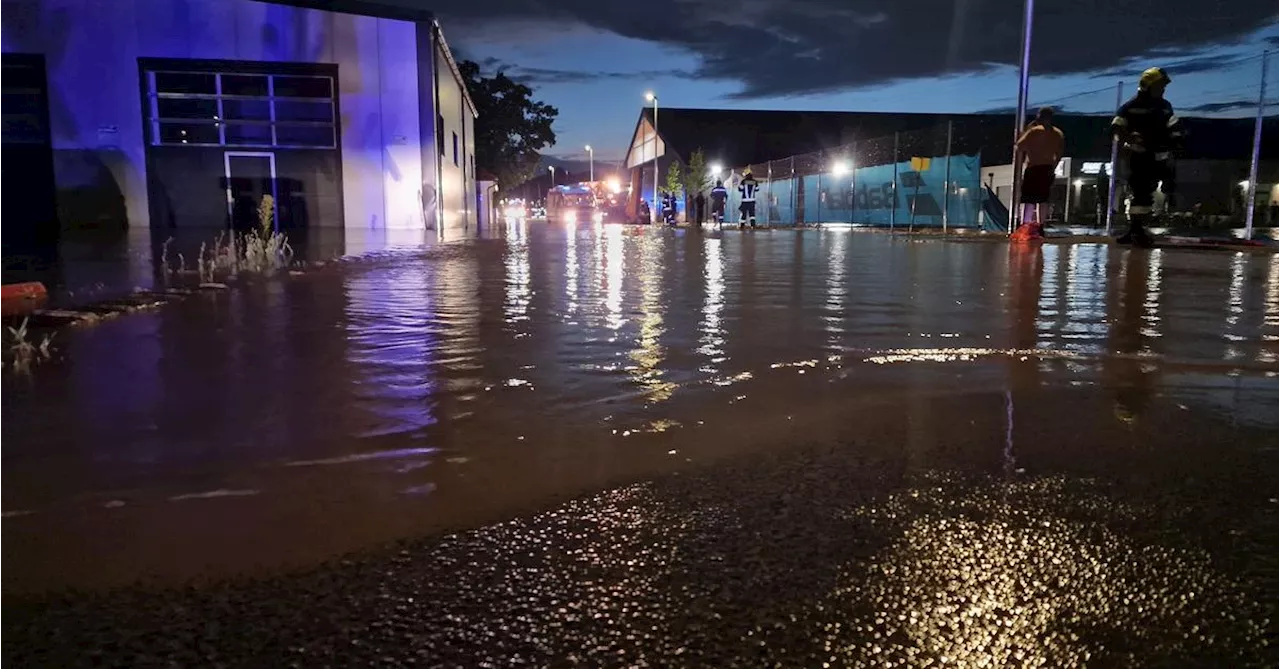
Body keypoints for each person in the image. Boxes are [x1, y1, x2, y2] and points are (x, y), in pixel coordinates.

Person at [1111, 66, 1186, 248]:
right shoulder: (1131, 107)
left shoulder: (1164, 106)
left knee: (1148, 193)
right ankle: (1137, 231)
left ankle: (1136, 229)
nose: (1163, 89)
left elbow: (1174, 128)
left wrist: (1177, 142)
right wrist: (1130, 139)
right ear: (1148, 85)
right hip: (1139, 156)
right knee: (1141, 192)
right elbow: (1116, 128)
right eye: (1160, 85)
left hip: (1160, 156)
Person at [1014, 107, 1064, 236]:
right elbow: (1059, 153)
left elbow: (1019, 146)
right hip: (1047, 167)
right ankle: (1040, 225)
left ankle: (1025, 225)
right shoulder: (1057, 133)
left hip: (1033, 166)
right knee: (1043, 199)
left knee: (1029, 198)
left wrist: (1026, 132)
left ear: (1039, 117)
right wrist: (1053, 165)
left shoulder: (1034, 132)